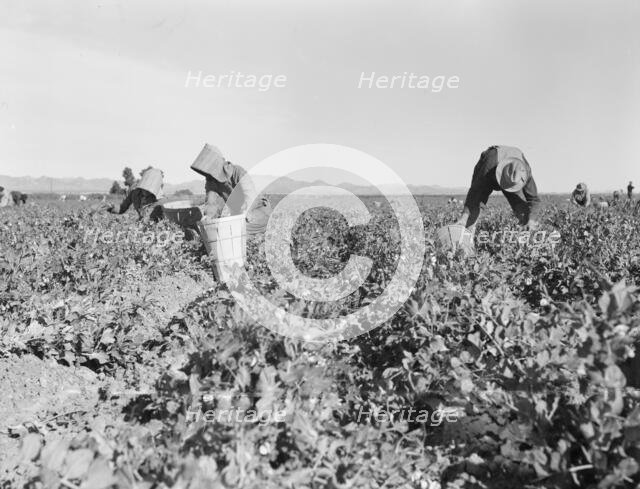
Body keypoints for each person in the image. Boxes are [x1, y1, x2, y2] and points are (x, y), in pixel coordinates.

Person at [190, 144, 271, 235]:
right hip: (238, 216)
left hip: (256, 210)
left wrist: (246, 212)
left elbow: (250, 195)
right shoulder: (211, 181)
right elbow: (211, 203)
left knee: (233, 231)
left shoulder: (237, 172)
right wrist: (208, 216)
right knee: (219, 230)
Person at [456, 145, 540, 230]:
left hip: (508, 178)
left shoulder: (525, 172)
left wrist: (531, 220)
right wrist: (464, 216)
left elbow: (534, 199)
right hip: (491, 169)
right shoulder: (488, 168)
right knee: (476, 204)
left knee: (523, 209)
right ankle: (466, 234)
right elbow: (474, 193)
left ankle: (527, 236)